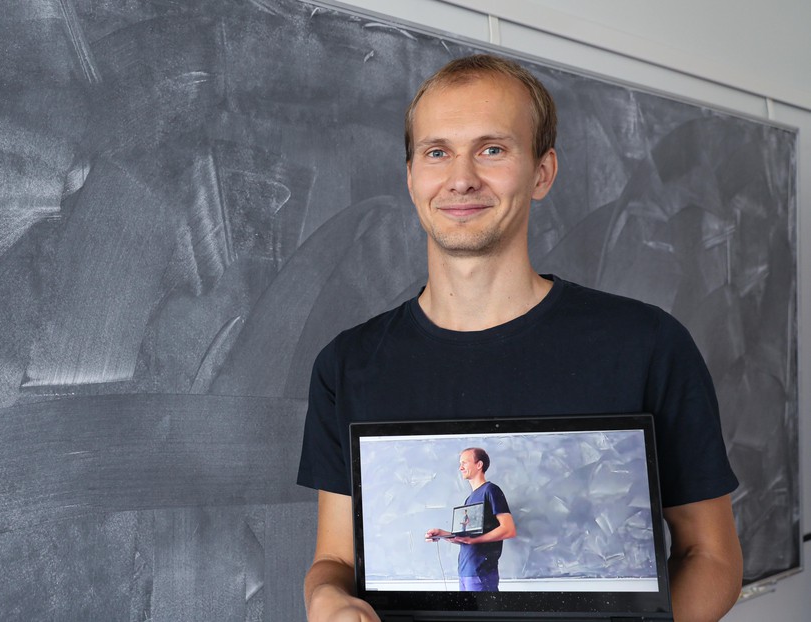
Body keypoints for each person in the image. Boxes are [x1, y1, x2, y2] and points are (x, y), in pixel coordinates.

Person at [296, 54, 742, 622]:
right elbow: (334, 559)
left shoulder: (646, 344)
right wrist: (326, 598)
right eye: (437, 152)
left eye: (492, 149)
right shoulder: (347, 366)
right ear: (411, 176)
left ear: (542, 172)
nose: (461, 177)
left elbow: (712, 556)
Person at [424, 448, 515, 591]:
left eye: (464, 463)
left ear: (479, 465)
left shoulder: (491, 490)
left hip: (481, 573)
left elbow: (508, 529)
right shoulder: (469, 499)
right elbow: (467, 538)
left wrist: (474, 540)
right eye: (460, 464)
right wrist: (441, 533)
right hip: (465, 572)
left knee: (482, 614)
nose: (460, 467)